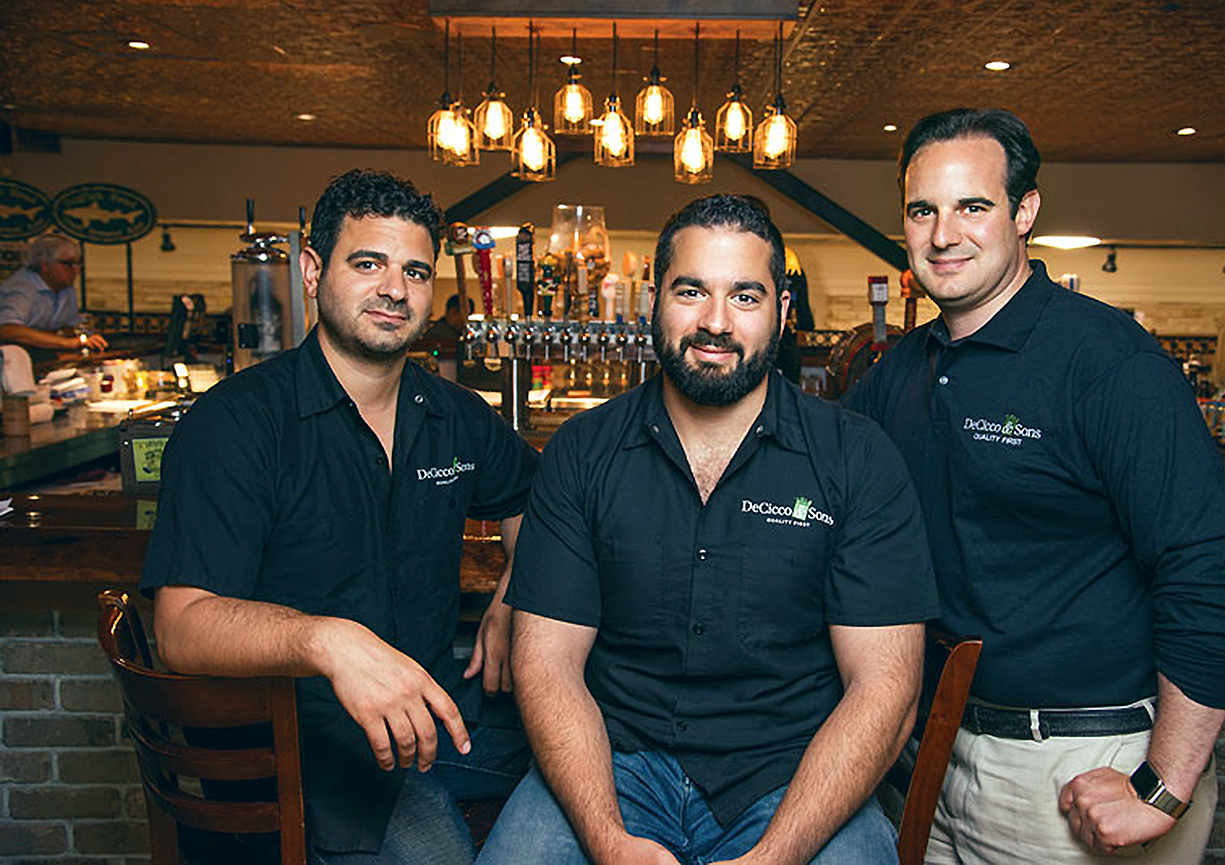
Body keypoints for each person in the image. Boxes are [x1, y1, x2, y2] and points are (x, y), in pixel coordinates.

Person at [842, 108, 1225, 864]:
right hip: (936, 759)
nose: (944, 233)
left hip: (1077, 766)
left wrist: (1161, 784)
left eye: (973, 206)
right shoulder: (903, 369)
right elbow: (816, 483)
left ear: (1025, 211)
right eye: (922, 209)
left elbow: (1212, 572)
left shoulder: (1106, 362)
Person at [479, 194, 939, 865]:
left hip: (793, 775)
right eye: (692, 290)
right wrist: (606, 837)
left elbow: (886, 690)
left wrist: (775, 855)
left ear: (782, 313)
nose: (716, 322)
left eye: (745, 296)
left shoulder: (857, 459)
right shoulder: (583, 452)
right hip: (614, 765)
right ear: (654, 300)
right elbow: (546, 665)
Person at [141, 169, 537, 864]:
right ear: (312, 269)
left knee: (596, 758)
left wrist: (516, 587)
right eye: (369, 263)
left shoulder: (450, 414)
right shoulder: (238, 423)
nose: (395, 288)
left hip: (429, 717)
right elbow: (180, 625)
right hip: (299, 753)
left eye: (415, 271)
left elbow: (539, 498)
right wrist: (330, 642)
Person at [0, 233, 108, 358]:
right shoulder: (22, 288)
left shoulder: (65, 288)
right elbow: (7, 329)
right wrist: (68, 343)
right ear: (45, 266)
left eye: (78, 264)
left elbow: (71, 327)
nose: (76, 271)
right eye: (68, 264)